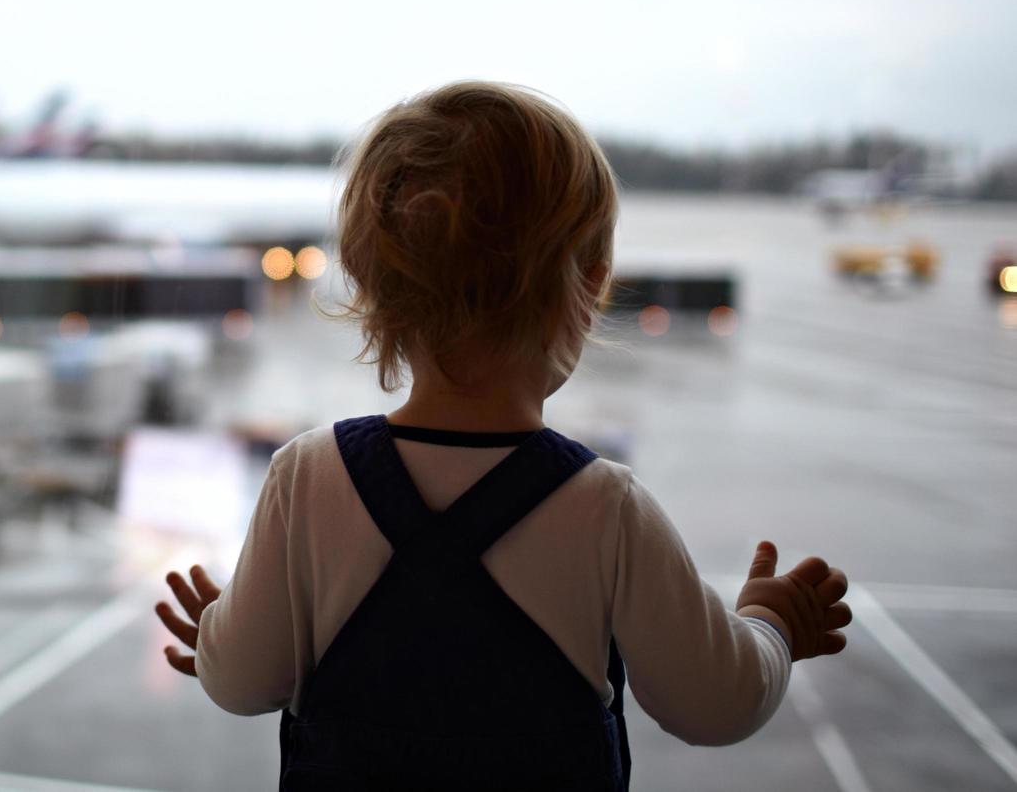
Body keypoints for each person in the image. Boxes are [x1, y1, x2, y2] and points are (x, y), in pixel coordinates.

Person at [155, 81, 851, 790]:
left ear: (367, 284)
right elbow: (715, 704)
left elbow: (243, 682)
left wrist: (219, 633)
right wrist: (771, 626)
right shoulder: (604, 508)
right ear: (590, 290)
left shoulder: (308, 478)